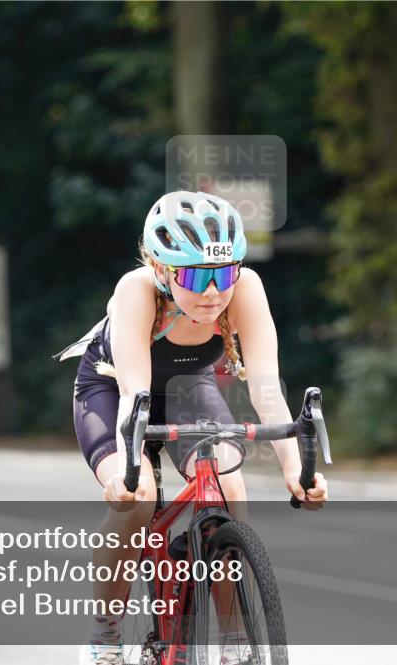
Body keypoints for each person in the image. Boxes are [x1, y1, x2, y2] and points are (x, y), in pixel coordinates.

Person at [54, 190, 329, 665]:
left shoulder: (246, 289)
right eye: (194, 276)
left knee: (228, 487)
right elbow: (134, 394)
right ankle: (104, 635)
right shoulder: (136, 292)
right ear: (161, 270)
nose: (212, 292)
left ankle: (234, 642)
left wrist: (295, 472)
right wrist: (128, 473)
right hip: (113, 388)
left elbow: (266, 390)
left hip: (186, 387)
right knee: (136, 502)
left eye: (223, 273)